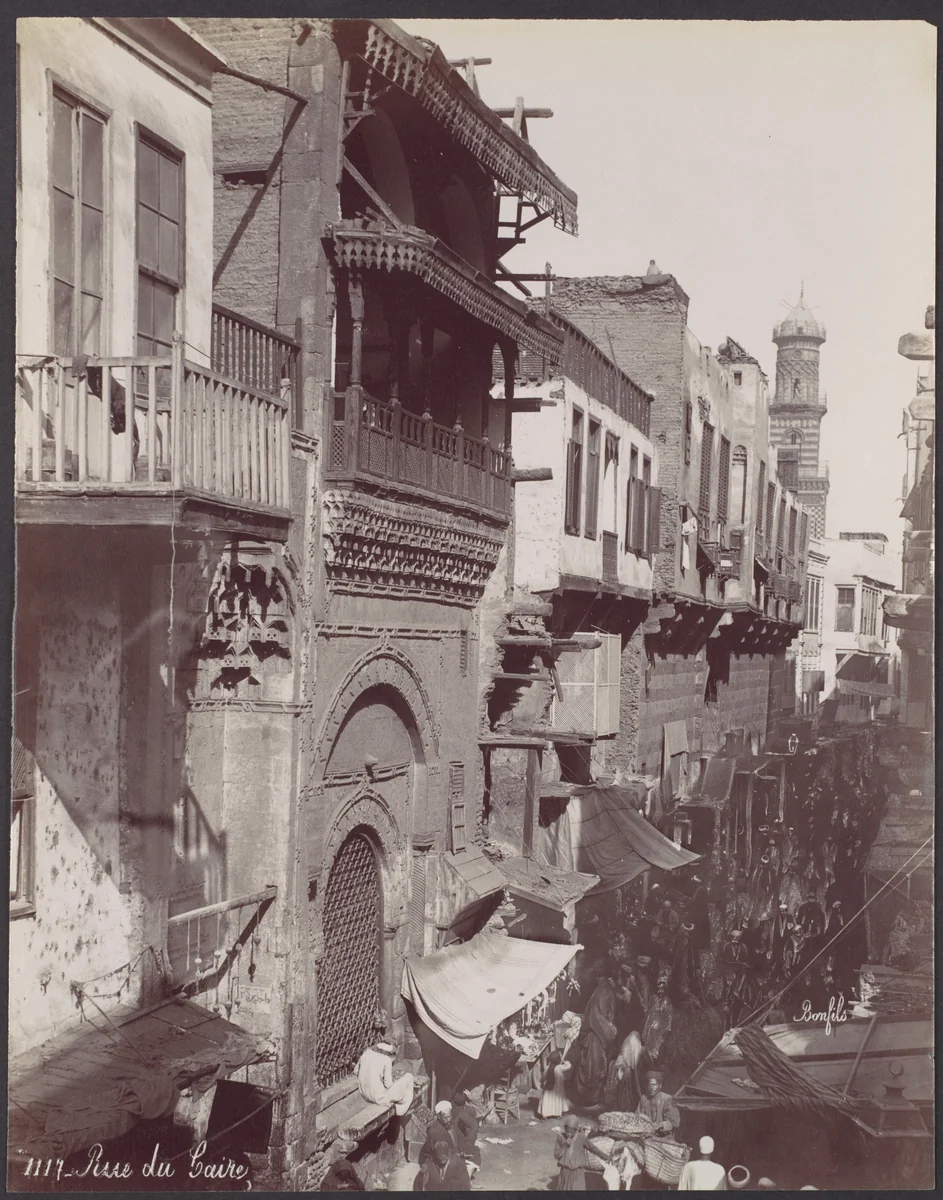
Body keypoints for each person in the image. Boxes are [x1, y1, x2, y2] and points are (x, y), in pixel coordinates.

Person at [572, 975, 618, 1107]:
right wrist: (609, 1029)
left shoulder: (596, 998)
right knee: (594, 1066)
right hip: (596, 1039)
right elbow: (603, 1020)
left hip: (594, 1038)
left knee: (591, 1066)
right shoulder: (604, 996)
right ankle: (590, 1097)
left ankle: (589, 1097)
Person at [356, 1040, 415, 1117]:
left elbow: (356, 1071)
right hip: (379, 1098)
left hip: (364, 1094)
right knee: (409, 1077)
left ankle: (400, 1106)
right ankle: (401, 1109)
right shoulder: (386, 1059)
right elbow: (388, 1085)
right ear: (388, 1052)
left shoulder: (366, 1053)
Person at [604, 1031, 643, 1112]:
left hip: (621, 1068)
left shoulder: (628, 1041)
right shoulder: (634, 1042)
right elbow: (633, 1061)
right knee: (624, 1096)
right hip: (624, 1071)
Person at [637, 1069, 680, 1139]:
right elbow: (637, 1115)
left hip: (663, 1137)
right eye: (649, 1084)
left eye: (654, 1084)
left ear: (660, 1086)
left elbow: (674, 1122)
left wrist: (662, 1125)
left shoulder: (667, 1099)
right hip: (647, 1136)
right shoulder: (644, 1098)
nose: (651, 1087)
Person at [452, 1092, 481, 1183]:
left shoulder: (449, 1111)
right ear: (465, 1103)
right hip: (457, 1144)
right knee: (475, 1154)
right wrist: (470, 1142)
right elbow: (474, 1127)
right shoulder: (463, 1113)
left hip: (450, 1141)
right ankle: (467, 1181)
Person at [552, 1115, 588, 1190]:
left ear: (576, 1130)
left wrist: (606, 1157)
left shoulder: (581, 1139)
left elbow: (594, 1149)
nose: (568, 1134)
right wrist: (565, 1146)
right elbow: (556, 1155)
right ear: (564, 1129)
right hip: (565, 1172)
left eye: (571, 1132)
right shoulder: (561, 1138)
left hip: (577, 1172)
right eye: (567, 1131)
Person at [642, 979, 673, 1062]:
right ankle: (648, 1061)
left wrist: (668, 1029)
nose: (660, 991)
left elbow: (669, 1016)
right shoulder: (653, 998)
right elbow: (648, 1011)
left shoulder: (667, 1001)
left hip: (660, 1028)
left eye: (662, 989)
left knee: (658, 1046)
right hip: (651, 1026)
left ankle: (656, 1063)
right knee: (647, 1045)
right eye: (658, 988)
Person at [419, 1100, 457, 1164]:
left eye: (450, 1116)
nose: (448, 1120)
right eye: (445, 1118)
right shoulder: (437, 1132)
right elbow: (441, 1157)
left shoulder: (447, 1124)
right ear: (439, 1117)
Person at [539, 1050, 573, 1119]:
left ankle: (545, 1115)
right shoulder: (560, 1067)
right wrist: (563, 1060)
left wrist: (542, 1082)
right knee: (556, 1100)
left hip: (548, 1087)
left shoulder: (548, 1067)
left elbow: (543, 1077)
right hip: (557, 1088)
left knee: (547, 1100)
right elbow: (569, 1065)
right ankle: (557, 1114)